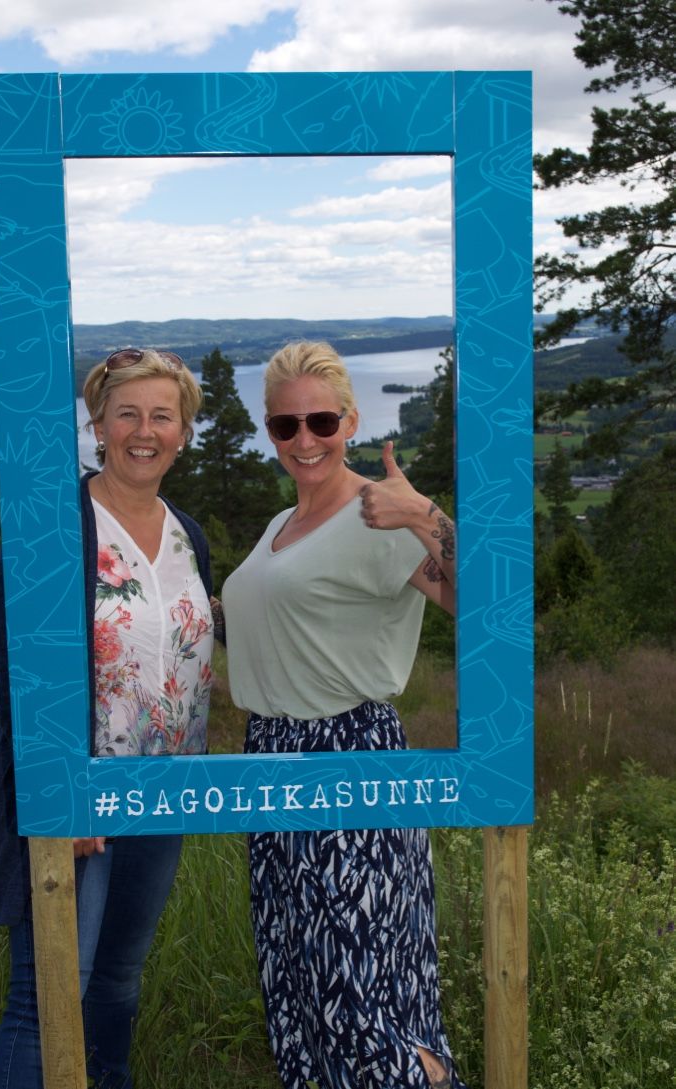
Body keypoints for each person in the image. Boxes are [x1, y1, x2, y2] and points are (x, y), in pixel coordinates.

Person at [222, 341, 466, 1089]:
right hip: (273, 761)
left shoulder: (378, 516)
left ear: (351, 421)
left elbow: (491, 605)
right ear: (269, 429)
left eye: (321, 420)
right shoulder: (279, 526)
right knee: (301, 995)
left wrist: (425, 512)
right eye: (284, 425)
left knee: (365, 1006)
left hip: (348, 757)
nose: (304, 440)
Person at [0, 348, 215, 1089]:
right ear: (98, 424)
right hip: (79, 797)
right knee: (49, 995)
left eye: (162, 416)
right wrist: (65, 784)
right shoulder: (58, 523)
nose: (144, 431)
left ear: (183, 431)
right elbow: (16, 664)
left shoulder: (188, 534)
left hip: (165, 795)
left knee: (117, 981)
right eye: (128, 414)